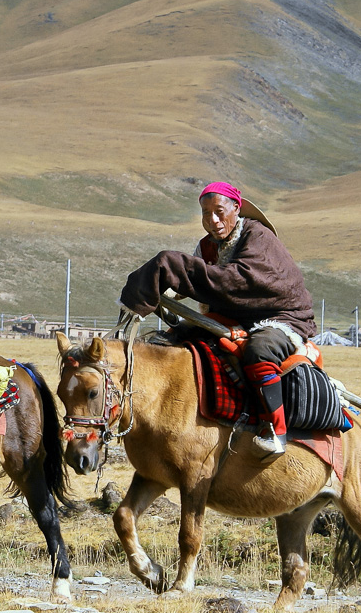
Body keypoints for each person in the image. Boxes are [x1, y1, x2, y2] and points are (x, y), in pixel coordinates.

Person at [118, 181, 317, 459]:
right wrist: (161, 291)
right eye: (205, 213)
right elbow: (194, 283)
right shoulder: (208, 247)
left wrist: (172, 266)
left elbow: (236, 280)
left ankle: (275, 430)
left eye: (219, 211)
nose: (212, 220)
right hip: (236, 315)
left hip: (281, 316)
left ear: (236, 208)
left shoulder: (257, 237)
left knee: (260, 352)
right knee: (181, 338)